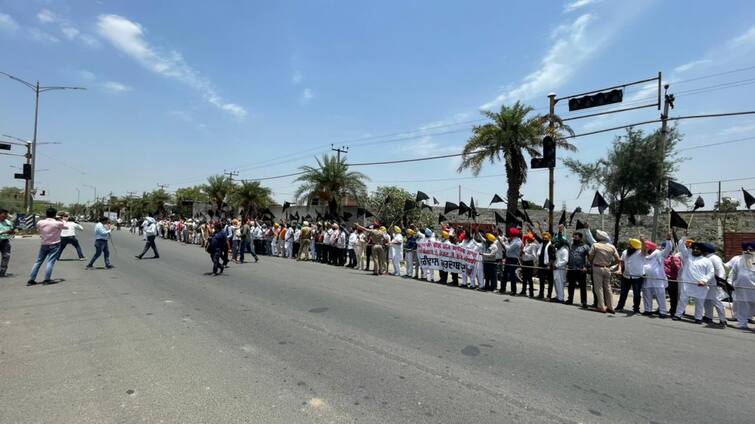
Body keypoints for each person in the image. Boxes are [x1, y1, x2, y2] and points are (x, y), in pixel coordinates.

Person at [673, 237, 714, 323]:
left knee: (699, 302)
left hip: (700, 285)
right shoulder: (688, 257)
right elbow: (681, 246)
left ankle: (698, 318)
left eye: (697, 249)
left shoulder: (707, 261)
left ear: (701, 251)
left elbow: (711, 273)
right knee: (683, 300)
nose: (695, 250)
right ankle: (678, 315)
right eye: (694, 248)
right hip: (687, 284)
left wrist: (704, 280)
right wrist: (684, 237)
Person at [28, 207, 66, 285]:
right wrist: (60, 219)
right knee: (50, 262)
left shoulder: (40, 222)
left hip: (44, 243)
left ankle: (31, 279)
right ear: (55, 214)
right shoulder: (58, 223)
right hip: (55, 244)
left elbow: (38, 229)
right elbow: (65, 227)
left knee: (38, 261)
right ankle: (46, 279)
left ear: (46, 214)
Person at [588, 229, 620, 313]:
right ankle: (611, 307)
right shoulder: (612, 246)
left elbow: (590, 256)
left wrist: (593, 262)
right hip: (608, 268)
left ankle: (601, 306)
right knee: (608, 288)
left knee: (599, 288)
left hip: (597, 267)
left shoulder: (596, 245)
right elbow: (618, 259)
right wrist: (611, 265)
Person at [641, 234, 673, 318]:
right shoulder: (643, 255)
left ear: (650, 248)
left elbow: (668, 249)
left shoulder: (659, 254)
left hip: (658, 279)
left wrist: (669, 240)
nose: (644, 248)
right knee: (647, 295)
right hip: (647, 279)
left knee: (660, 296)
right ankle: (648, 310)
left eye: (646, 247)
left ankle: (663, 312)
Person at [726, 241, 755, 329]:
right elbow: (733, 273)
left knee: (752, 306)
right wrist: (729, 283)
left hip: (753, 289)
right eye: (746, 249)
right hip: (740, 288)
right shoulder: (738, 260)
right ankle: (742, 323)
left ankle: (749, 318)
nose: (748, 251)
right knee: (742, 306)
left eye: (750, 250)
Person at [701, 243, 727, 327]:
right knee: (707, 300)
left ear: (706, 251)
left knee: (716, 301)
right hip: (708, 283)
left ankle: (723, 320)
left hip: (715, 284)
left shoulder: (715, 258)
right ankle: (708, 317)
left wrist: (721, 281)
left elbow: (721, 271)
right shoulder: (707, 258)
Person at [617, 238, 644, 314]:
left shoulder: (640, 253)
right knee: (623, 292)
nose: (628, 245)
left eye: (630, 244)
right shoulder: (625, 252)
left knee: (636, 294)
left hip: (637, 277)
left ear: (634, 246)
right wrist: (619, 270)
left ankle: (636, 309)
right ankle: (620, 306)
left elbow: (645, 249)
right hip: (626, 275)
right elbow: (621, 262)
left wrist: (642, 241)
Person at [565, 227, 591, 307]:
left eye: (576, 237)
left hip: (581, 269)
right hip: (571, 268)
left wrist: (586, 267)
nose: (574, 238)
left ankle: (584, 302)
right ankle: (570, 300)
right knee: (571, 285)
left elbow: (590, 258)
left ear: (580, 238)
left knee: (582, 286)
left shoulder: (585, 247)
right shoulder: (571, 245)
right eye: (574, 237)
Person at [534, 230, 555, 299]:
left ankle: (549, 296)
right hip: (541, 265)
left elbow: (553, 257)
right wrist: (531, 229)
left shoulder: (551, 246)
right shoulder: (542, 244)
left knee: (550, 281)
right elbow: (536, 237)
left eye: (546, 238)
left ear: (549, 238)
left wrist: (549, 265)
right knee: (542, 280)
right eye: (544, 238)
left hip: (548, 266)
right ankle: (541, 294)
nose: (544, 239)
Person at [501, 227, 522, 295]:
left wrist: (504, 243)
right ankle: (502, 288)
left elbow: (509, 249)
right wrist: (507, 241)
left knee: (512, 275)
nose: (509, 234)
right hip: (509, 258)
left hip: (513, 259)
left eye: (510, 233)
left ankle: (513, 290)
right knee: (505, 274)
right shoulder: (513, 240)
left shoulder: (517, 242)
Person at [552, 234, 569, 303]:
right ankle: (558, 296)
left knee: (560, 284)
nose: (556, 243)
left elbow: (565, 260)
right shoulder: (557, 250)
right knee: (556, 283)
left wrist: (557, 265)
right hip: (556, 269)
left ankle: (561, 298)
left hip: (560, 269)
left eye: (557, 242)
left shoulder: (564, 250)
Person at [0, 208, 16, 277]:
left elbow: (12, 231)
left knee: (6, 256)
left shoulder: (9, 222)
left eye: (6, 214)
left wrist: (12, 232)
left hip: (5, 241)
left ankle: (2, 272)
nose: (6, 216)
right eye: (5, 214)